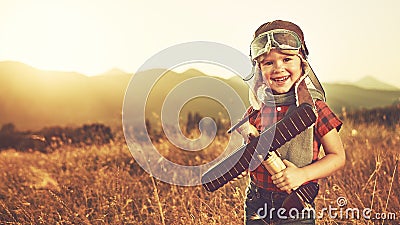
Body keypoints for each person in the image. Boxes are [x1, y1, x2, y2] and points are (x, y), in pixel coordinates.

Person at [234, 20, 346, 224]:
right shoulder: (256, 111)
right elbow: (251, 152)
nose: (278, 68)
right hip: (257, 202)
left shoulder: (315, 109)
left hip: (297, 202)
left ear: (302, 62)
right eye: (268, 63)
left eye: (287, 59)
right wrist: (239, 166)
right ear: (259, 70)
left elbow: (337, 157)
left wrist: (303, 174)